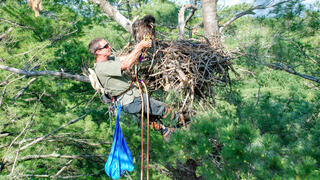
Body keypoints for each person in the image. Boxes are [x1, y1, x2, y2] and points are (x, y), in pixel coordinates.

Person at [88, 38, 184, 141]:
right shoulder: (102, 67)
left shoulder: (109, 60)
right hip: (132, 100)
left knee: (152, 118)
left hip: (131, 99)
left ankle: (168, 133)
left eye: (108, 44)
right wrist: (140, 46)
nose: (109, 47)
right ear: (98, 52)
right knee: (162, 109)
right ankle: (186, 124)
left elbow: (126, 59)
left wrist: (140, 51)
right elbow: (125, 64)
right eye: (106, 46)